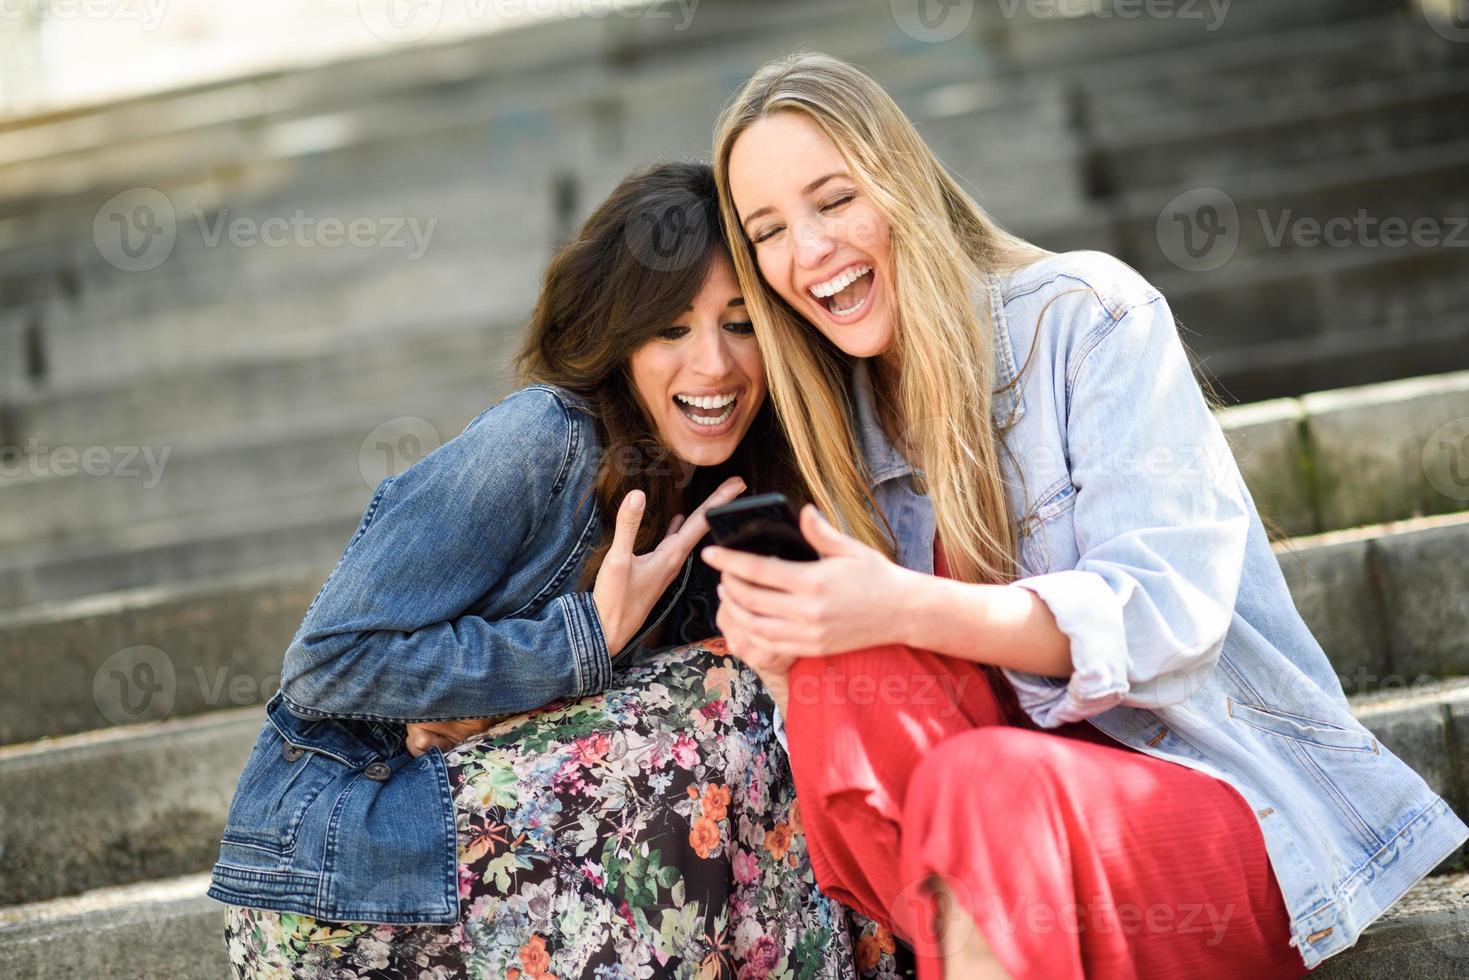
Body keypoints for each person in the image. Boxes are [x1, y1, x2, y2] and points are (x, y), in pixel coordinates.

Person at [703, 52, 1469, 979]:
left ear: (898, 179)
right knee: (844, 675)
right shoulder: (836, 434)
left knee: (974, 779)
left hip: (1207, 811)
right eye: (769, 231)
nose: (809, 251)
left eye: (833, 200)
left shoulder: (1087, 317)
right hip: (995, 859)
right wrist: (792, 661)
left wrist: (901, 605)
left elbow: (1163, 619)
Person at [209, 161, 898, 978]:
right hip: (347, 873)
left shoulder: (725, 488)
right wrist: (577, 644)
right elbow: (325, 663)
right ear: (616, 338)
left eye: (741, 324)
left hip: (493, 852)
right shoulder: (541, 440)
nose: (713, 364)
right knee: (723, 698)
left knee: (779, 722)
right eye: (670, 330)